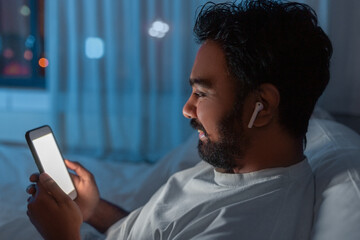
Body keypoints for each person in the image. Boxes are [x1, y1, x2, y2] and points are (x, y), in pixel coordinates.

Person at [26, 0, 332, 239]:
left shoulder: (247, 224)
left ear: (262, 107)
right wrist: (91, 209)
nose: (188, 109)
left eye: (202, 93)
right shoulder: (231, 164)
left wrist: (62, 235)